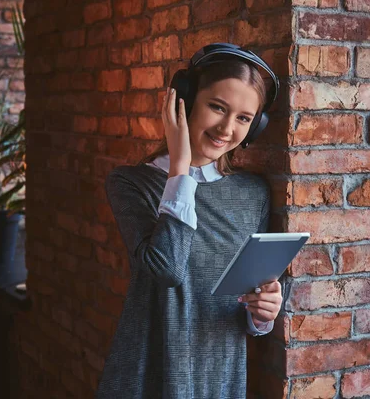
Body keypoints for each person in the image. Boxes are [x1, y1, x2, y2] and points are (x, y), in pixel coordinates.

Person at [97, 43, 283, 399]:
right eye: (217, 107)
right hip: (148, 371)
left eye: (244, 118)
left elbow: (247, 298)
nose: (227, 128)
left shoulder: (253, 194)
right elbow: (165, 269)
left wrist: (264, 313)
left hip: (219, 375)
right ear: (185, 100)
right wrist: (180, 170)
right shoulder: (130, 184)